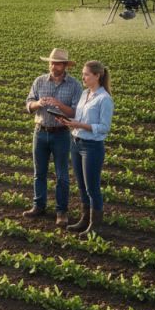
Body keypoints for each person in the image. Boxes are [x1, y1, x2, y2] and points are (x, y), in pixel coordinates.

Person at [24, 48, 83, 227]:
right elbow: (28, 104)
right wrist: (37, 104)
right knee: (39, 173)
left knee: (62, 176)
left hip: (61, 135)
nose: (53, 66)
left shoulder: (74, 85)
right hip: (40, 132)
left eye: (57, 63)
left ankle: (61, 212)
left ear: (65, 65)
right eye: (51, 63)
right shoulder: (39, 81)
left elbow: (76, 112)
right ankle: (39, 205)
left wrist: (59, 105)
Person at [59, 61, 115, 237]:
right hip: (76, 142)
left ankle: (95, 226)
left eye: (86, 74)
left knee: (92, 188)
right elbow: (78, 117)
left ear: (97, 76)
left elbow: (104, 127)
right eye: (83, 74)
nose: (82, 77)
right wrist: (68, 122)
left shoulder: (104, 99)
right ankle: (84, 220)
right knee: (82, 186)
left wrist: (79, 124)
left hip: (92, 146)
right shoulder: (85, 94)